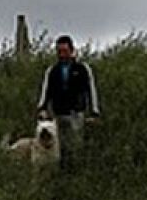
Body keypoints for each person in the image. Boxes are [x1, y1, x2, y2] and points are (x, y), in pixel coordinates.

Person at [36, 34, 100, 168]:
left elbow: (91, 90)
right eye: (59, 51)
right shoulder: (52, 71)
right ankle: (60, 175)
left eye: (65, 51)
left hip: (76, 113)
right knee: (58, 148)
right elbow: (45, 90)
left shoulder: (82, 69)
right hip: (58, 114)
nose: (62, 55)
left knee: (76, 146)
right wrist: (42, 108)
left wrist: (94, 112)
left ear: (72, 51)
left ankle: (75, 174)